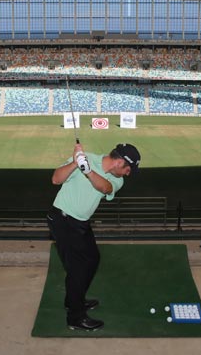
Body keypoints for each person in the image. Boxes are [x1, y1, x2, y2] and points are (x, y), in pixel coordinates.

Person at [46, 142, 141, 331]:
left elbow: (105, 188)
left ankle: (74, 299)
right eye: (129, 169)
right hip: (63, 220)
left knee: (92, 259)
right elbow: (56, 179)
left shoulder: (117, 180)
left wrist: (88, 171)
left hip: (81, 222)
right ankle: (75, 316)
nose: (128, 174)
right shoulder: (86, 157)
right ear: (120, 163)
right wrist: (75, 163)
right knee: (77, 270)